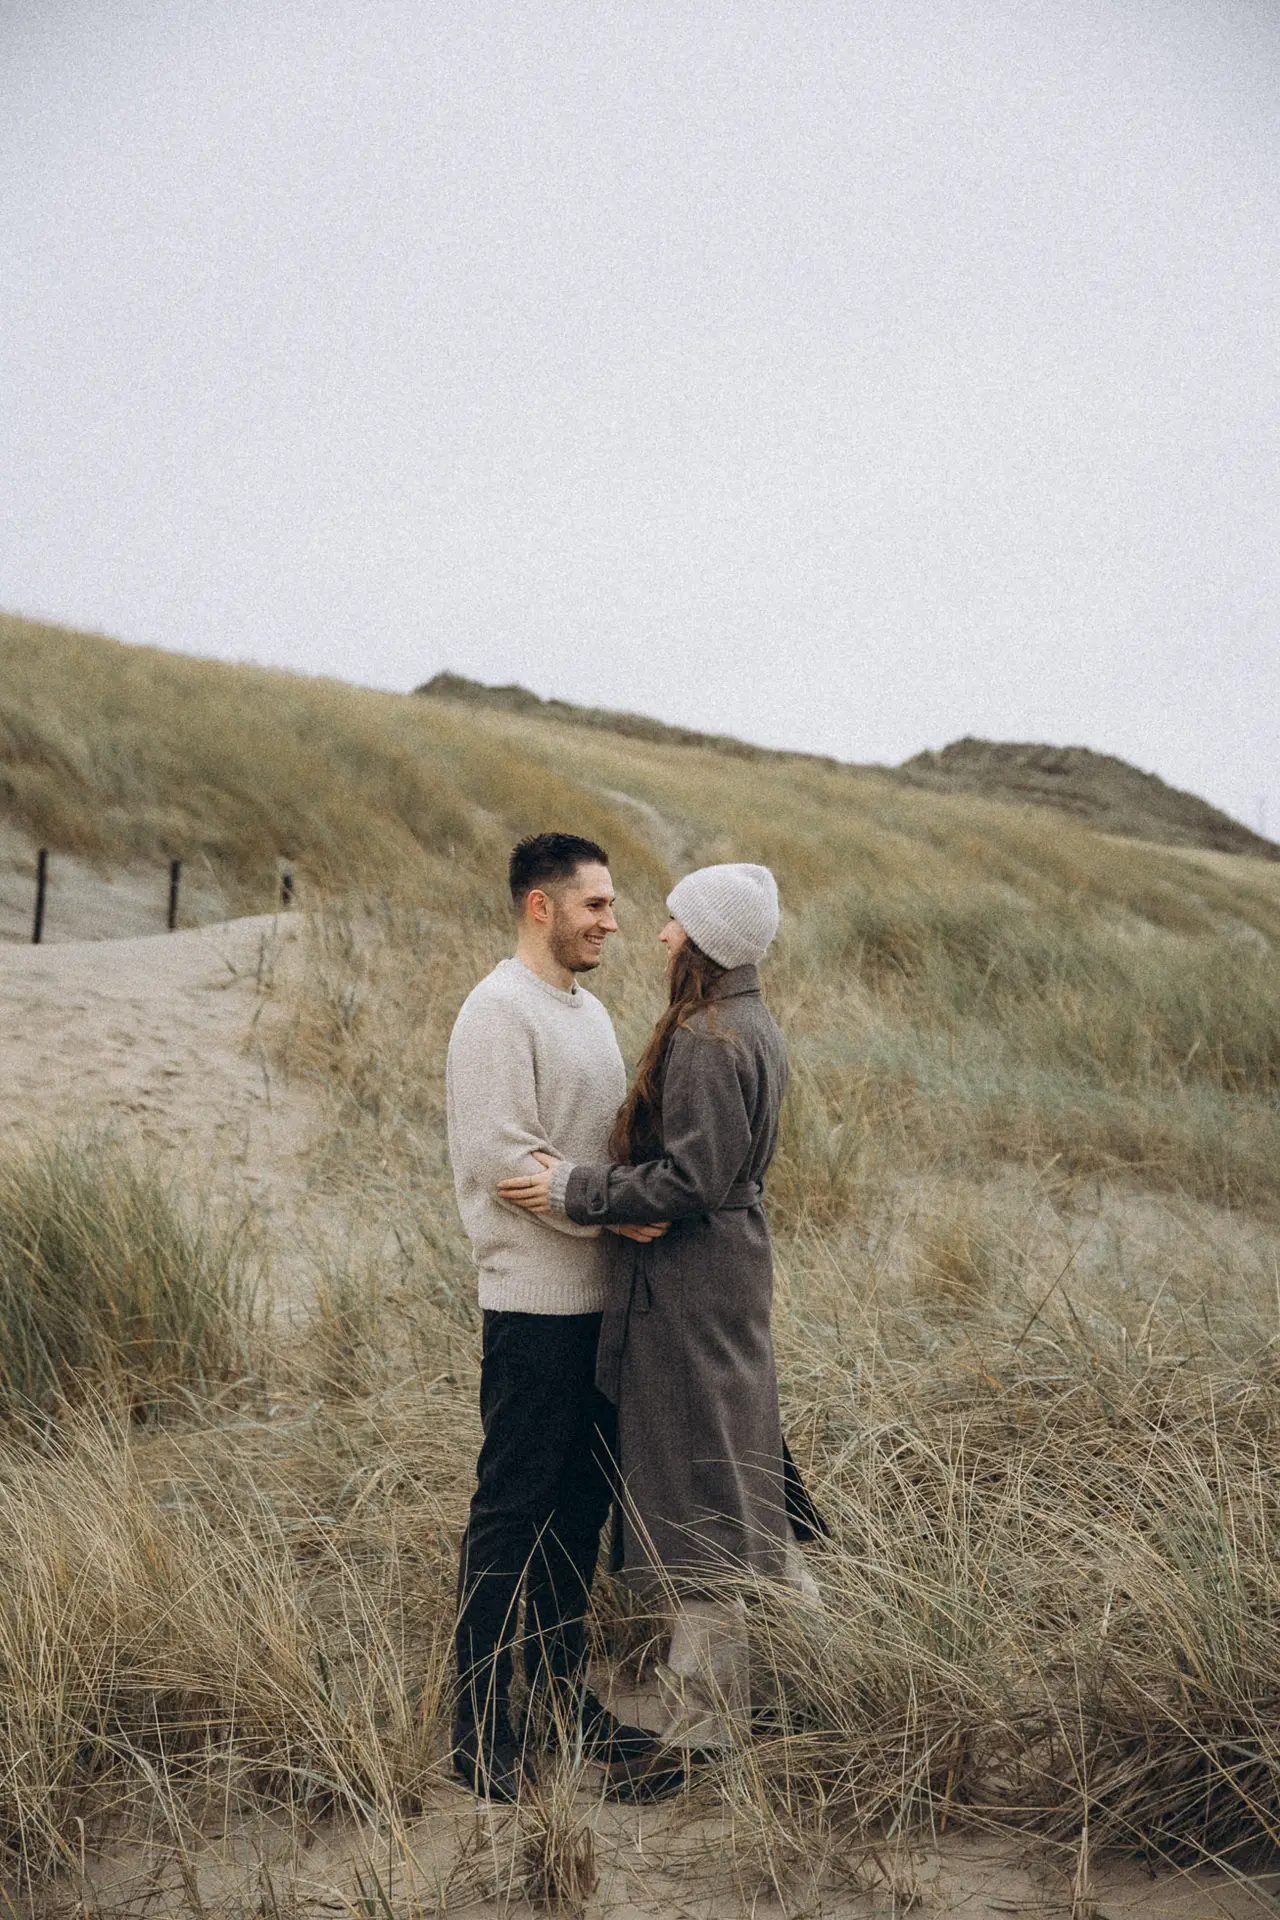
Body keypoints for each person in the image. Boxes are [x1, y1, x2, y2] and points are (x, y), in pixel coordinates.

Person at [499, 861, 821, 1801]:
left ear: (710, 940)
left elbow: (690, 1183)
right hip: (720, 1282)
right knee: (738, 1476)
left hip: (688, 1292)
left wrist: (573, 1189)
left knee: (701, 1506)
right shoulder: (742, 1022)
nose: (660, 935)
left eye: (676, 923)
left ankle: (705, 1739)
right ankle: (802, 1682)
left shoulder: (714, 1037)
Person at [445, 831, 665, 1801]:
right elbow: (513, 1168)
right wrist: (623, 1210)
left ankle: (561, 1703)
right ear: (541, 906)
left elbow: (593, 1153)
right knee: (512, 1514)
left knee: (578, 1515)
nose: (611, 923)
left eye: (613, 906)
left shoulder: (591, 1013)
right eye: (595, 906)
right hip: (532, 1310)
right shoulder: (496, 1012)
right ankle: (481, 1730)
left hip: (600, 1309)